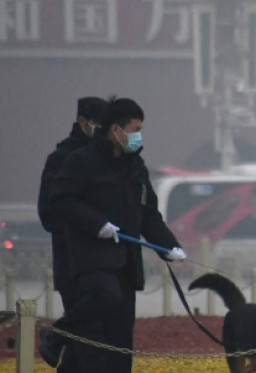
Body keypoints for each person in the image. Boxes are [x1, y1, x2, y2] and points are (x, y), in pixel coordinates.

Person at [41, 97, 186, 372]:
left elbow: (149, 215)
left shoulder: (136, 167)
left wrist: (168, 245)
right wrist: (96, 223)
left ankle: (67, 343)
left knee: (119, 344)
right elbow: (59, 201)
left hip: (126, 265)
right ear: (116, 129)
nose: (138, 136)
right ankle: (58, 333)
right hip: (92, 258)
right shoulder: (81, 161)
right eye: (134, 129)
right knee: (105, 299)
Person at [36, 96, 108, 373]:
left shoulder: (105, 158)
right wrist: (86, 225)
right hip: (74, 260)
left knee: (89, 343)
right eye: (100, 126)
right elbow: (49, 212)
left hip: (103, 261)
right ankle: (56, 336)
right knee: (88, 339)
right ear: (83, 123)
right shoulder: (62, 159)